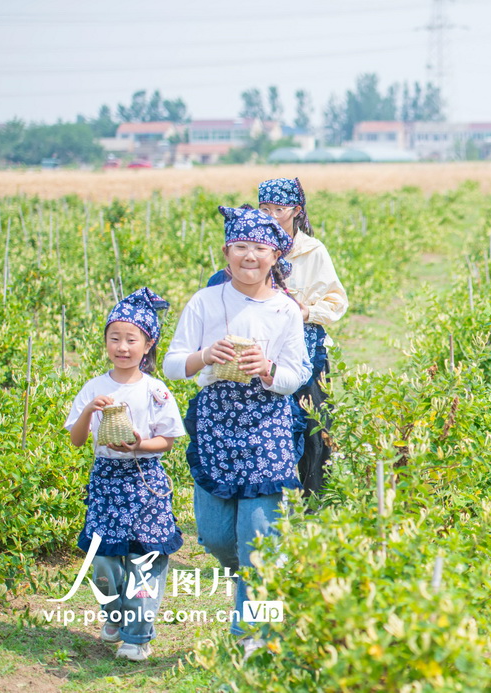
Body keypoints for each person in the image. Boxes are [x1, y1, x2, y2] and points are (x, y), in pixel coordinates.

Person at [163, 206, 309, 654]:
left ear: (275, 256)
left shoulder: (284, 309)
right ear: (227, 253)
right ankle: (255, 583)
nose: (249, 256)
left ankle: (257, 636)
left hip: (267, 425)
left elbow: (297, 374)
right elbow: (172, 365)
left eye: (260, 248)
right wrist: (206, 356)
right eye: (241, 247)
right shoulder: (205, 302)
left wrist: (267, 369)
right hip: (216, 422)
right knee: (217, 537)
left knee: (260, 543)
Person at [64, 288, 185, 662]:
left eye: (131, 339)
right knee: (103, 559)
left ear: (147, 345)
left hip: (144, 481)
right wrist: (89, 411)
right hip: (106, 481)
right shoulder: (94, 388)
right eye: (114, 337)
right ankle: (114, 614)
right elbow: (76, 439)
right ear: (105, 342)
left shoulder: (155, 391)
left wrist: (138, 445)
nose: (122, 346)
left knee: (145, 558)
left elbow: (167, 440)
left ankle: (137, 636)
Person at [257, 177, 348, 495]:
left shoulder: (312, 251)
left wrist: (306, 311)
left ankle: (314, 498)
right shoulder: (254, 247)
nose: (270, 216)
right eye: (264, 209)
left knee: (313, 422)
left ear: (296, 211)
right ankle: (271, 493)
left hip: (307, 346)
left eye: (278, 209)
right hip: (264, 348)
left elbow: (337, 301)